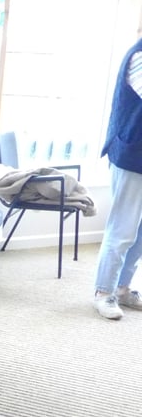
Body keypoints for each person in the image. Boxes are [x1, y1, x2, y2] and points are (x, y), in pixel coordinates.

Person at [93, 36, 142, 320]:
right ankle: (103, 292)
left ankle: (122, 288)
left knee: (139, 234)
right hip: (131, 155)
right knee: (123, 230)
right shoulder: (138, 56)